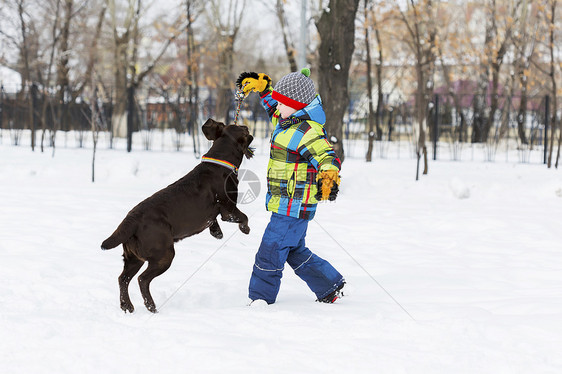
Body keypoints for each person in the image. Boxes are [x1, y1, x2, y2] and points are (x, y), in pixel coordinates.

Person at [236, 68, 345, 305]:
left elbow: (327, 156)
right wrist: (264, 90)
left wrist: (329, 178)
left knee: (271, 250)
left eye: (281, 103)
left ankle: (260, 299)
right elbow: (274, 108)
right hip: (286, 204)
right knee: (294, 251)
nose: (277, 107)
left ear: (296, 105)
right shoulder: (287, 121)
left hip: (293, 205)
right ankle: (329, 285)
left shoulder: (308, 131)